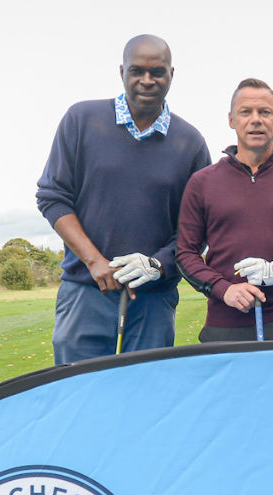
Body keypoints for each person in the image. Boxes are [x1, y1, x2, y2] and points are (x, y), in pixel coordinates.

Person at [37, 34, 211, 364]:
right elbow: (53, 196)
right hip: (84, 290)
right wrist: (94, 261)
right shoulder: (82, 120)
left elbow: (197, 230)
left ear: (172, 75)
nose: (147, 80)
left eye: (157, 72)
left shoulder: (190, 143)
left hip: (153, 299)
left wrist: (158, 265)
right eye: (137, 71)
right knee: (80, 396)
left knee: (147, 401)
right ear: (122, 72)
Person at [176, 79, 273, 341]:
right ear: (231, 120)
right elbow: (185, 253)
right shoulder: (202, 182)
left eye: (264, 112)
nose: (256, 120)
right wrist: (222, 288)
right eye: (245, 112)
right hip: (224, 324)